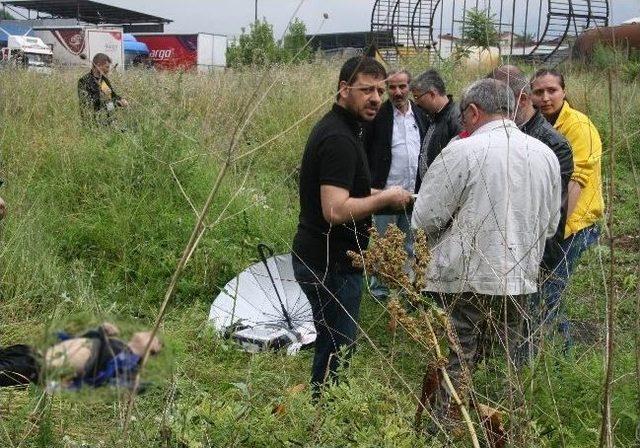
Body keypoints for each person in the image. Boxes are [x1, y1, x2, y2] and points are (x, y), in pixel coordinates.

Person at [412, 79, 561, 406]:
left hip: (462, 278)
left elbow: (424, 219)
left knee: (456, 354)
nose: (462, 122)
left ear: (474, 112)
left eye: (464, 116)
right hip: (519, 278)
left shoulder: (461, 151)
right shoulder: (545, 155)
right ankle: (501, 427)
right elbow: (551, 225)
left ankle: (445, 429)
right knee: (506, 359)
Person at [292, 56, 413, 397]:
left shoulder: (346, 129)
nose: (376, 97)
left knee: (335, 344)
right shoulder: (339, 139)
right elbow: (335, 209)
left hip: (328, 259)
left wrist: (389, 195)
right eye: (367, 90)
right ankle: (323, 415)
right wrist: (385, 197)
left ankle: (323, 407)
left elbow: (350, 193)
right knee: (337, 348)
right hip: (330, 263)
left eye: (380, 89)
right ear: (344, 90)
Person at [531, 69, 604, 348]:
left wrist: (555, 233)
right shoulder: (537, 124)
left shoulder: (578, 126)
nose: (546, 97)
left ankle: (561, 357)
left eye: (552, 90)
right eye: (539, 92)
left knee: (550, 292)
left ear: (564, 92)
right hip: (548, 223)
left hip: (572, 224)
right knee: (542, 292)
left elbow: (578, 181)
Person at [364, 69, 428, 299]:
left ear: (410, 87)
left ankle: (404, 285)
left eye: (402, 86)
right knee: (383, 241)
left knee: (409, 241)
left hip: (413, 192)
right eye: (392, 87)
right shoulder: (378, 116)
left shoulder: (420, 115)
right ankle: (380, 288)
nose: (397, 92)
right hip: (385, 192)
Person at [409, 69, 462, 191]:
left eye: (417, 97)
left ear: (432, 94)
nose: (416, 103)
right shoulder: (433, 116)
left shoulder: (456, 118)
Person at [78, 53, 129, 125]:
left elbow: (112, 96)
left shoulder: (104, 80)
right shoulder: (84, 81)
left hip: (109, 120)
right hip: (92, 122)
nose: (108, 70)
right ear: (98, 65)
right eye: (107, 67)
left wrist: (121, 100)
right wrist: (102, 95)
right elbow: (86, 103)